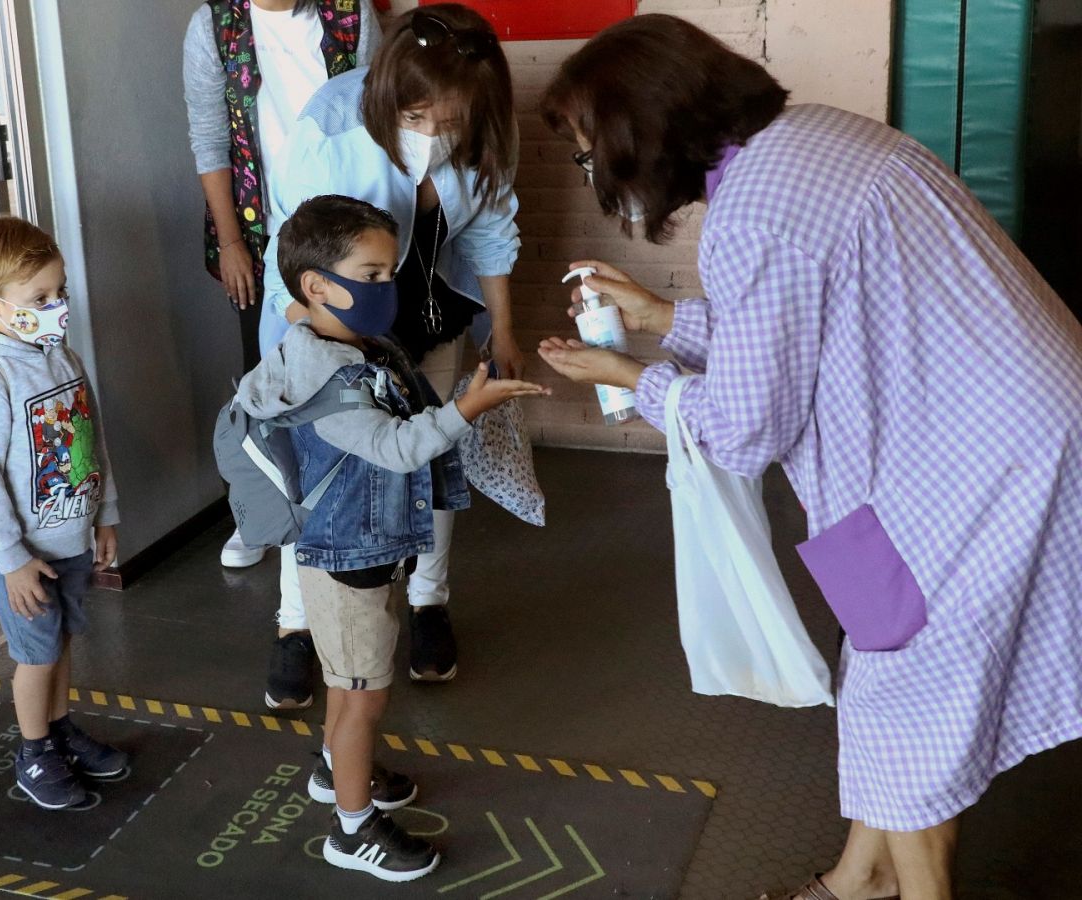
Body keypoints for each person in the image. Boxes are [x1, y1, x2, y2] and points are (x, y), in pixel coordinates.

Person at [536, 15, 1082, 900]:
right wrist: (661, 319)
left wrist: (634, 380)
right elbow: (800, 336)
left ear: (646, 131)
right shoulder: (813, 138)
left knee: (901, 692)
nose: (595, 171)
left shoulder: (753, 214)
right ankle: (861, 877)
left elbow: (748, 425)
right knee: (880, 664)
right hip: (973, 433)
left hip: (975, 462)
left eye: (592, 150)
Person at [237, 194, 546, 881]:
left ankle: (335, 769)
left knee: (354, 689)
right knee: (361, 696)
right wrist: (469, 407)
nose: (389, 289)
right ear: (319, 287)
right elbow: (397, 447)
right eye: (373, 277)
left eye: (389, 273)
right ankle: (352, 831)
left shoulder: (326, 338)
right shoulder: (333, 380)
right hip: (347, 560)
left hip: (360, 546)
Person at [256, 3, 521, 708]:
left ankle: (429, 601)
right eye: (418, 115)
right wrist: (329, 362)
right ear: (387, 92)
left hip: (428, 314)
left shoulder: (487, 129)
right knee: (315, 478)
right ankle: (295, 623)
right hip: (334, 327)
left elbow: (492, 229)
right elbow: (301, 265)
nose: (434, 134)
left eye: (452, 121)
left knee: (433, 459)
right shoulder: (330, 128)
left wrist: (506, 327)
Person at [181, 0, 381, 572]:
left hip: (343, 228)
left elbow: (375, 117)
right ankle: (262, 513)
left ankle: (349, 506)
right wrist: (232, 243)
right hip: (259, 228)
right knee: (269, 378)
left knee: (345, 371)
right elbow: (209, 138)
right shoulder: (214, 27)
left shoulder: (351, 12)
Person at [0, 216, 126, 810]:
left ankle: (58, 728)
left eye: (60, 293)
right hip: (21, 553)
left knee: (62, 640)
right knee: (35, 651)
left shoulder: (61, 355)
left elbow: (90, 440)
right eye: (39, 299)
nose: (57, 307)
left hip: (71, 531)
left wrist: (105, 513)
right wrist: (12, 558)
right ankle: (32, 750)